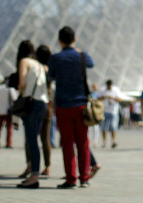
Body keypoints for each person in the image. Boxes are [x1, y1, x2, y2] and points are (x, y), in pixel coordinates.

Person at [48, 26, 94, 189]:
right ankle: (85, 178)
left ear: (59, 41)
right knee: (83, 142)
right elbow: (91, 64)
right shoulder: (81, 56)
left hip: (63, 105)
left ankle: (71, 179)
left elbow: (51, 76)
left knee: (67, 143)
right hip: (81, 104)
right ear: (74, 39)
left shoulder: (55, 58)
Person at [15, 40, 49, 189]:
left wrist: (19, 88)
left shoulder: (24, 61)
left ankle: (34, 176)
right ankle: (33, 173)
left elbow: (22, 83)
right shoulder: (41, 65)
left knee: (31, 141)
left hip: (31, 103)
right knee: (34, 140)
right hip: (42, 104)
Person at [36, 45, 53, 177]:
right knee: (45, 138)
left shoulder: (36, 68)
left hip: (36, 104)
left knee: (30, 138)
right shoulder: (51, 69)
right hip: (48, 105)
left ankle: (30, 165)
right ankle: (47, 166)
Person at [98, 79, 122, 149]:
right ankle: (104, 142)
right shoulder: (103, 90)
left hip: (113, 111)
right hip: (104, 110)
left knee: (113, 127)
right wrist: (104, 97)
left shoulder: (115, 90)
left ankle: (113, 141)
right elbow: (97, 98)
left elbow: (120, 99)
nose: (109, 87)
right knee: (104, 127)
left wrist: (113, 98)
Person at [0, 76, 16, 149]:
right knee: (9, 128)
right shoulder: (11, 89)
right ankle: (8, 143)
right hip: (8, 111)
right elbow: (14, 99)